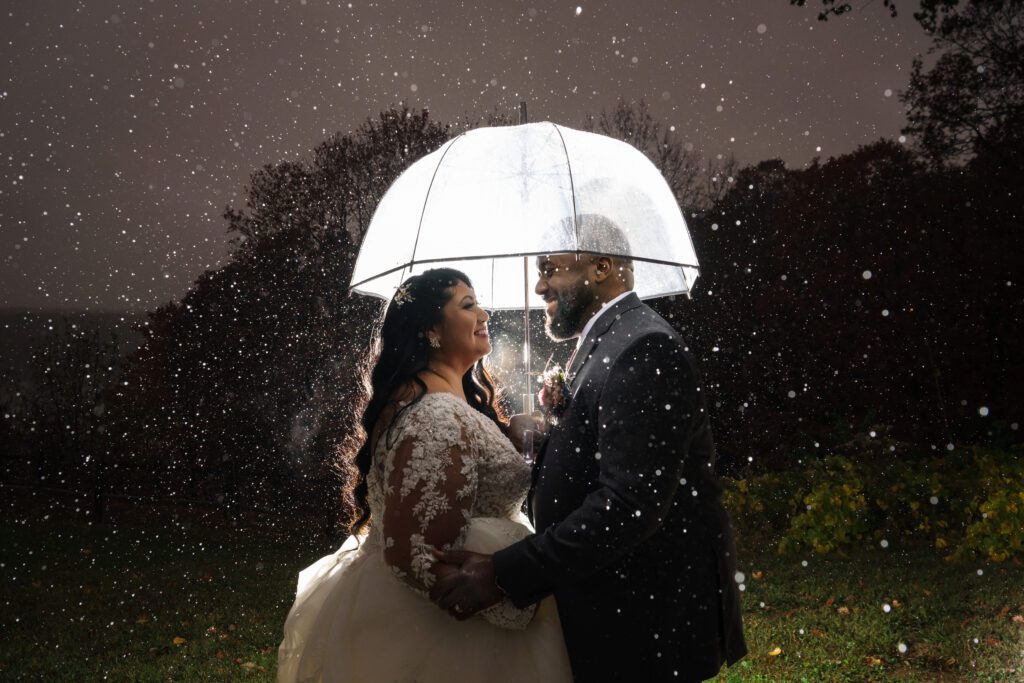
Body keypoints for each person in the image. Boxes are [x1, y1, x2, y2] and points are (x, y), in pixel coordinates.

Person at [431, 217, 748, 682]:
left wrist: (505, 574)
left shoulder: (644, 346)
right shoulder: (606, 342)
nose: (538, 286)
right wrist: (545, 445)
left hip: (646, 620)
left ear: (601, 267)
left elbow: (628, 505)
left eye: (549, 268)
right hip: (614, 605)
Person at [276, 268, 572, 683]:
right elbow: (415, 551)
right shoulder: (435, 414)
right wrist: (510, 596)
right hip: (448, 632)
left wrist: (510, 433)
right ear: (431, 329)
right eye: (467, 305)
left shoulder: (442, 399)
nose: (484, 313)